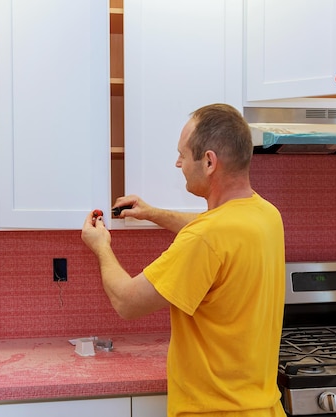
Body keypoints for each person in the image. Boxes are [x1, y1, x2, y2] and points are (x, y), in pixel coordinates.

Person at [81, 103, 286, 417]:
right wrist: (153, 214)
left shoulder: (206, 237)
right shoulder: (266, 215)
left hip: (213, 411)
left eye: (182, 154)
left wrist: (101, 247)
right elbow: (215, 231)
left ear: (208, 162)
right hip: (264, 408)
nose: (178, 163)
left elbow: (127, 301)